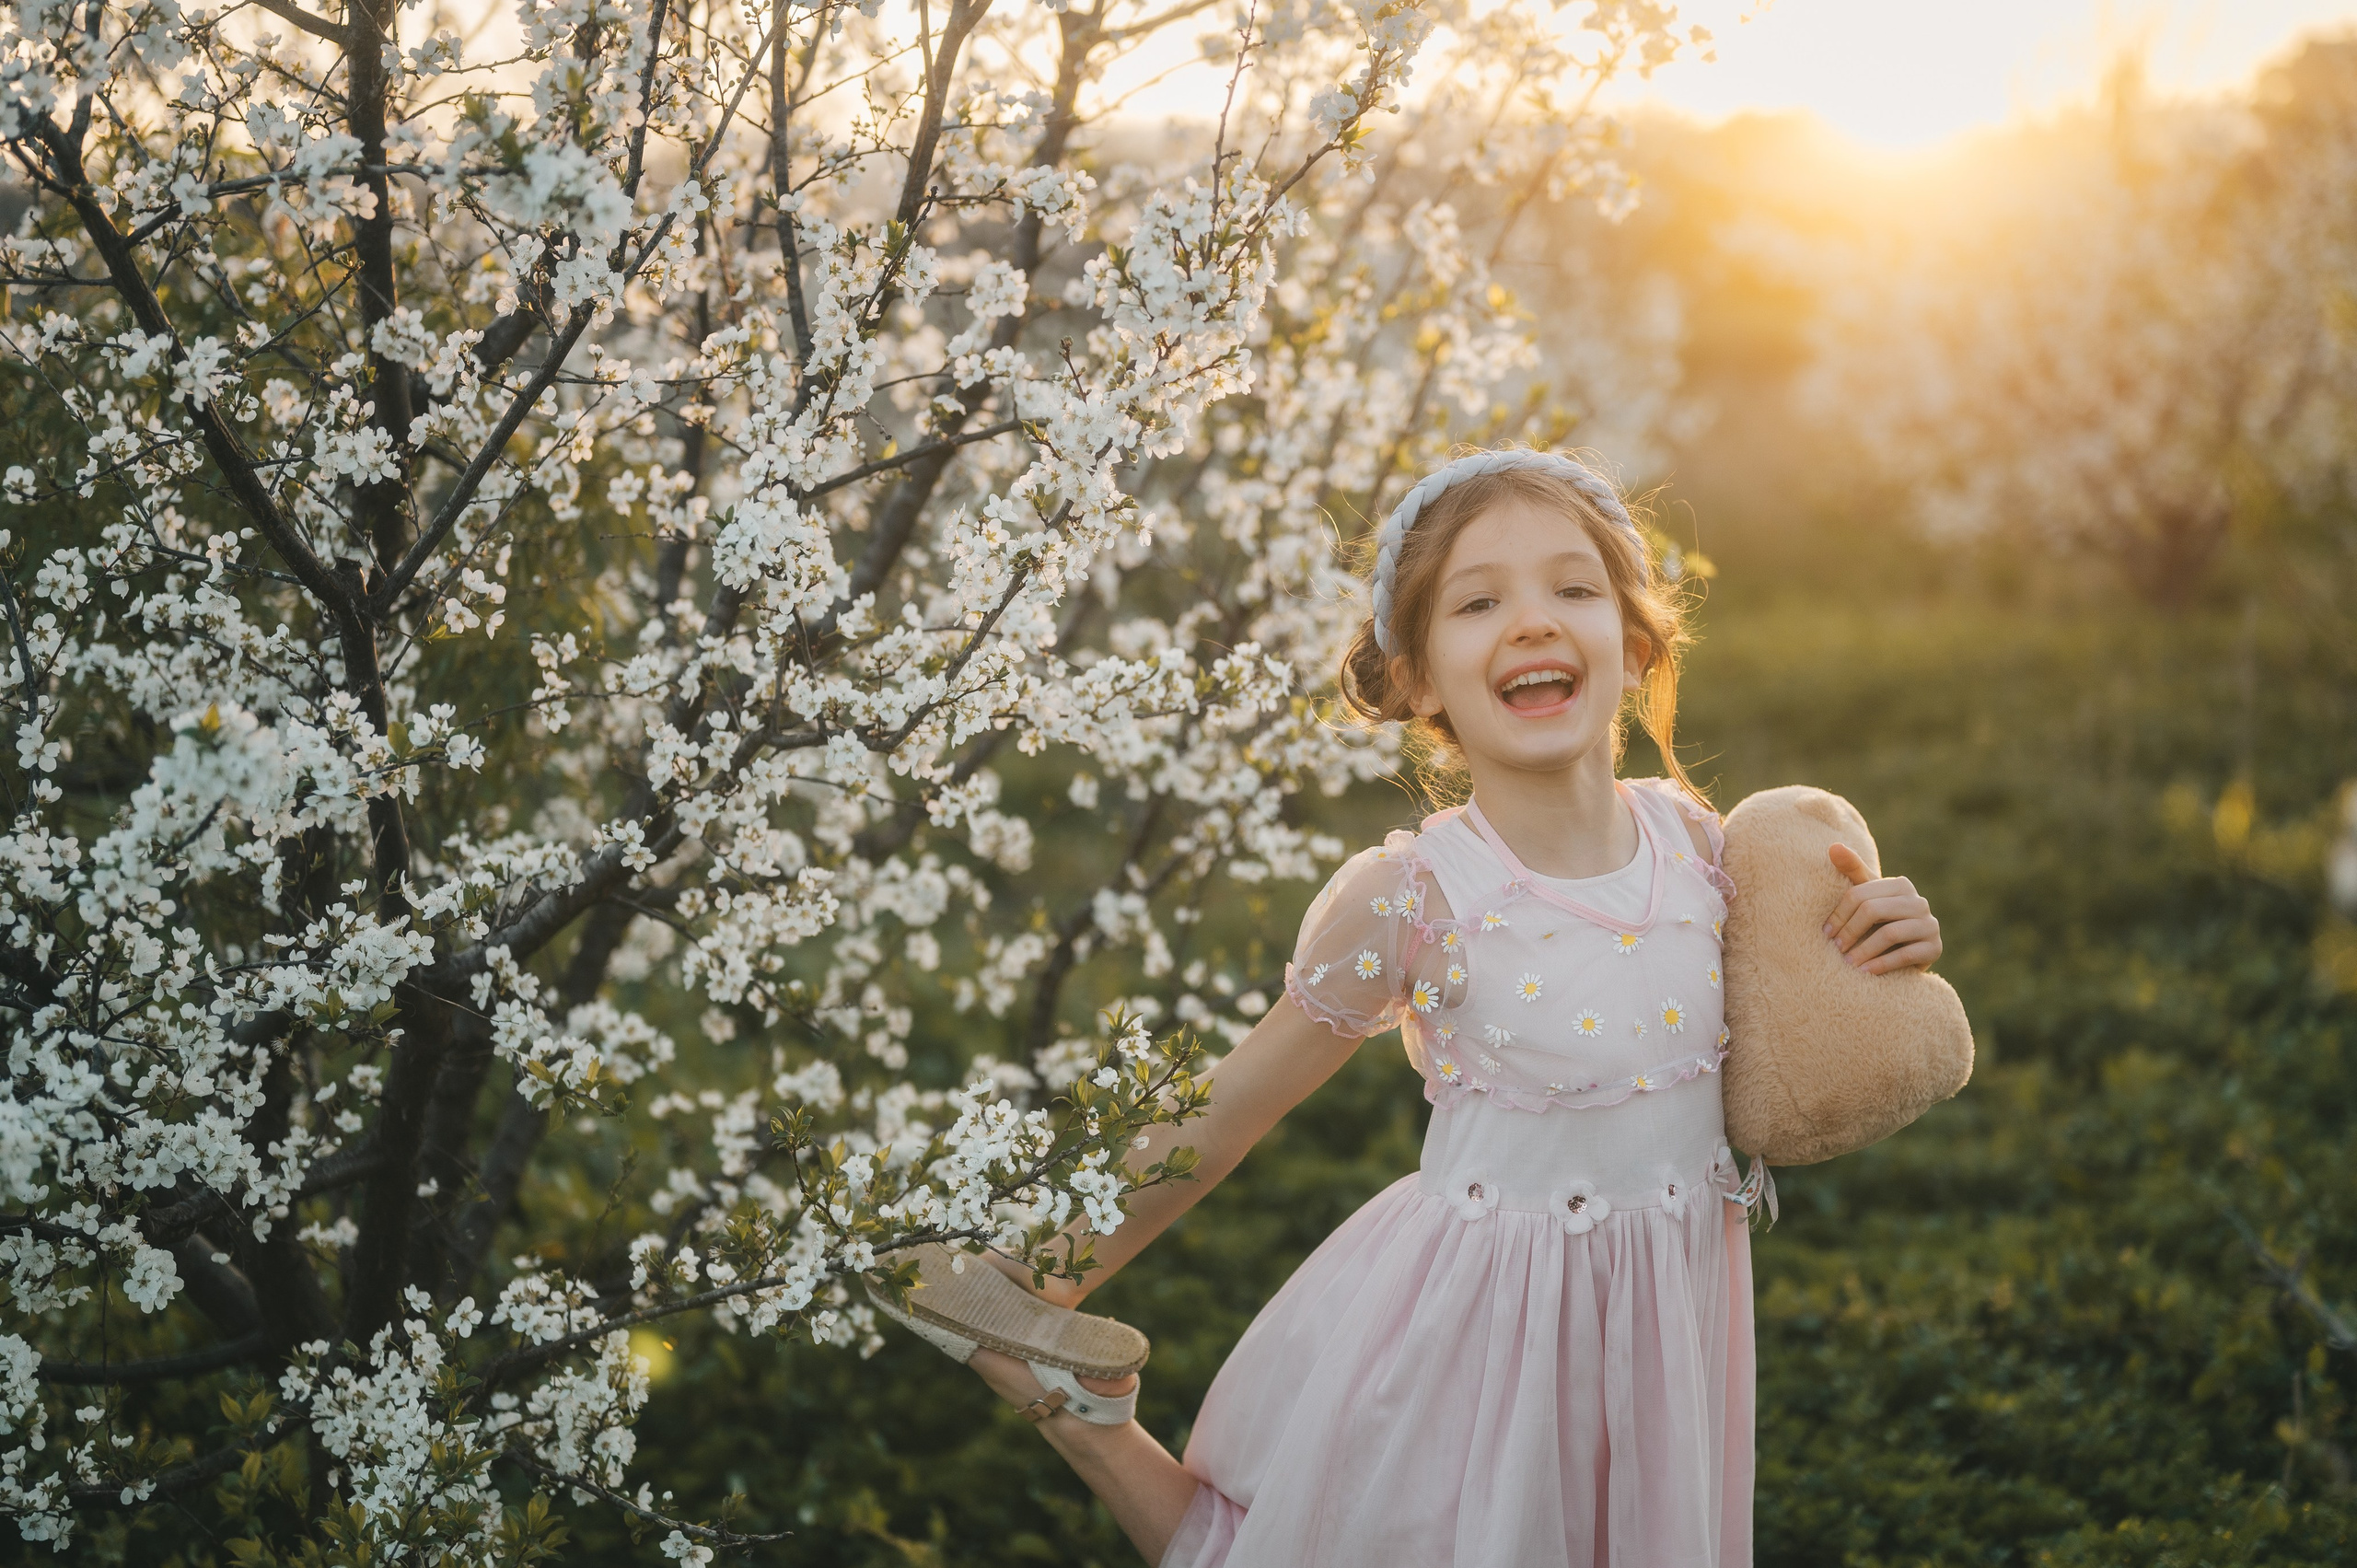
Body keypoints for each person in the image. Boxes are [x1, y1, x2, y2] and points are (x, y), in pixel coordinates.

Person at [948, 449, 1944, 1566]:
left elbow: (1805, 1029)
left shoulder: (1702, 848)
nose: (1531, 621)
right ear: (1419, 678)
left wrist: (1885, 939)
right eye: (1479, 602)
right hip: (1478, 1332)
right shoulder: (1417, 896)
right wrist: (1045, 1278)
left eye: (1573, 589)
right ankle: (1082, 1413)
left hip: (1665, 1323)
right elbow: (1232, 1108)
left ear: (1636, 643)